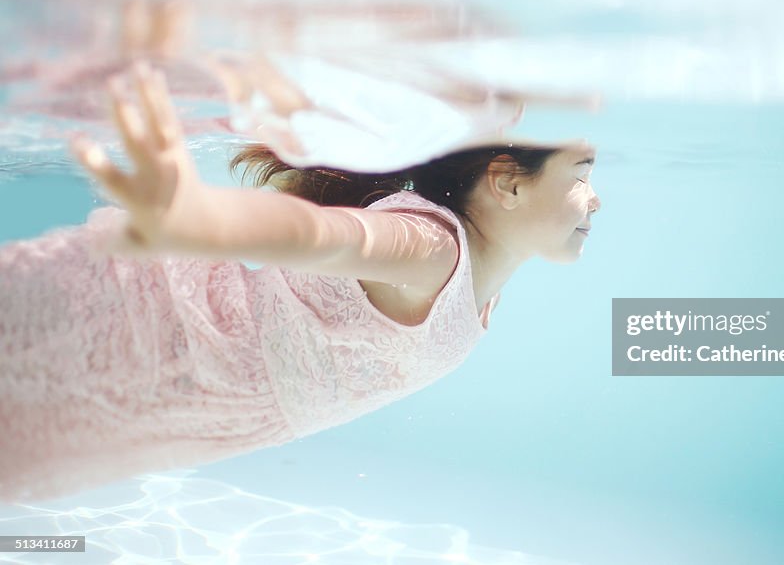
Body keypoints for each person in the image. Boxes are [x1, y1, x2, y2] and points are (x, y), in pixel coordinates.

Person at [0, 62, 601, 504]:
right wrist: (206, 222)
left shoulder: (478, 275)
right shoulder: (432, 247)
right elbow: (326, 236)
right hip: (145, 334)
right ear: (509, 184)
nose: (595, 200)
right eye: (580, 176)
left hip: (180, 395)